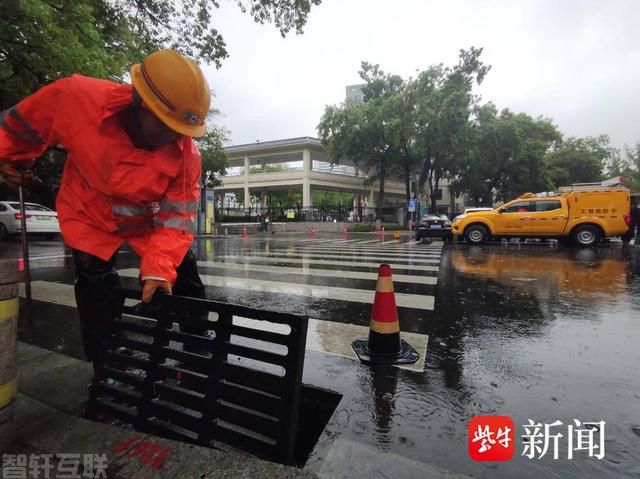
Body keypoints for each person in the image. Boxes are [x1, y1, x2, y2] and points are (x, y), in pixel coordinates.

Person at [0, 49, 209, 365]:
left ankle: (197, 343)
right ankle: (106, 359)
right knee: (96, 285)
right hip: (88, 211)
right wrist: (9, 156)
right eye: (166, 126)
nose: (174, 137)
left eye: (182, 131)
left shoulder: (186, 155)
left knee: (182, 272)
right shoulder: (77, 99)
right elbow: (21, 124)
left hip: (142, 218)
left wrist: (158, 268)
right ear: (140, 102)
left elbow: (177, 218)